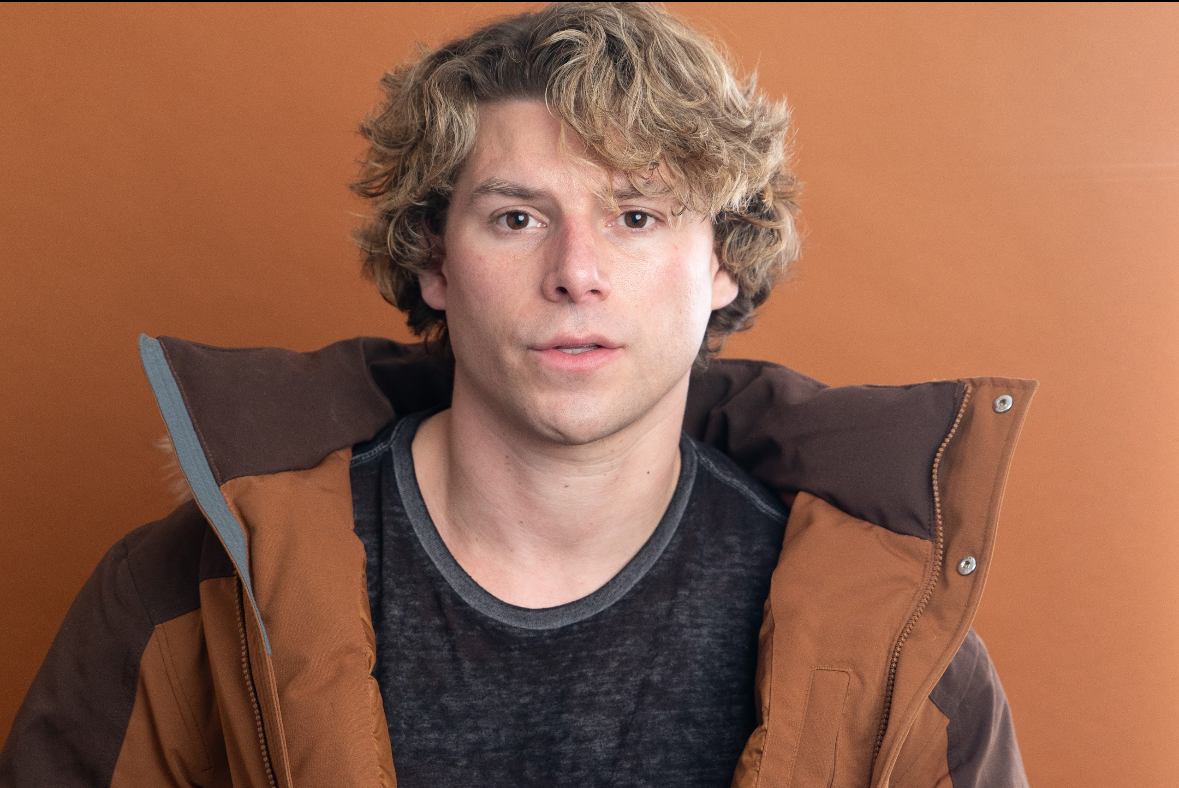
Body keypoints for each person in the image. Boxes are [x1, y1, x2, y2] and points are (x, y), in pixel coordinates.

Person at [0, 3, 1035, 786]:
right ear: (433, 263)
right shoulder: (192, 595)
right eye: (513, 217)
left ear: (723, 260)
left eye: (635, 216)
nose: (576, 270)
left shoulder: (901, 644)